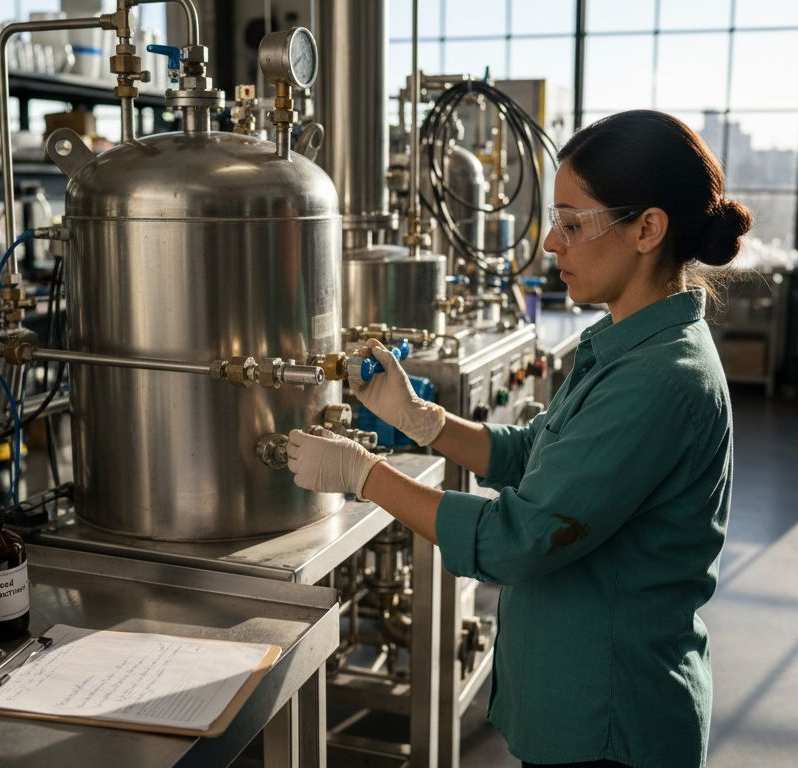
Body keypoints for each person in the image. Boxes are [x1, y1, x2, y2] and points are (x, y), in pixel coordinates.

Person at [286, 110, 751, 768]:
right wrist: (428, 422)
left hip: (610, 722)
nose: (552, 244)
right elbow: (542, 456)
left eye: (573, 223)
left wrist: (364, 475)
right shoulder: (627, 346)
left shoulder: (659, 381)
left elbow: (519, 538)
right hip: (578, 697)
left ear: (647, 228)